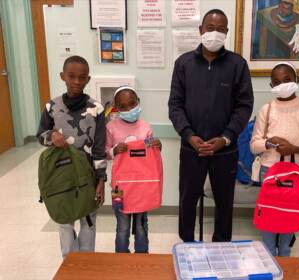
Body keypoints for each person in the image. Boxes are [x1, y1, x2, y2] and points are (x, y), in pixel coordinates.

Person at [168, 9, 254, 242]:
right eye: (210, 28)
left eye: (220, 29)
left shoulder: (237, 64)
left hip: (225, 150)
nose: (214, 33)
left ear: (226, 32)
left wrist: (225, 137)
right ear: (200, 30)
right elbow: (175, 105)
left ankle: (221, 249)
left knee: (225, 203)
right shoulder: (183, 63)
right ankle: (186, 243)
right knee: (187, 200)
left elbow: (244, 106)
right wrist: (189, 135)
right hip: (191, 148)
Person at [250, 61, 299, 256]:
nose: (282, 84)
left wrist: (294, 148)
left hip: (296, 172)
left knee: (288, 219)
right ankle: (268, 258)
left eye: (287, 80)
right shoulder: (266, 109)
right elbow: (254, 144)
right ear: (271, 86)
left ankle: (285, 255)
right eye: (276, 82)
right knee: (269, 218)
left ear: (297, 80)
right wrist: (269, 143)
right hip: (269, 170)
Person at [37, 55, 107, 258]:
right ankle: (69, 264)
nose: (77, 81)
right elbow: (40, 136)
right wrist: (52, 136)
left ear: (88, 79)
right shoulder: (52, 107)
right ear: (62, 77)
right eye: (71, 76)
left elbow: (100, 148)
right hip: (61, 176)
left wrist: (101, 179)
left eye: (82, 77)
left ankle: (87, 263)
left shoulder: (97, 109)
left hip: (88, 177)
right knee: (65, 223)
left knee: (88, 221)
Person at [105, 86, 162, 253]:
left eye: (132, 104)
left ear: (138, 102)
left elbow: (151, 154)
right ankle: (122, 259)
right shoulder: (111, 127)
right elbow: (105, 152)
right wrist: (114, 150)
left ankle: (142, 258)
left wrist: (158, 145)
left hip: (142, 185)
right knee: (122, 226)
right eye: (123, 107)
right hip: (119, 187)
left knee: (141, 225)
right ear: (116, 108)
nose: (129, 109)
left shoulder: (145, 127)